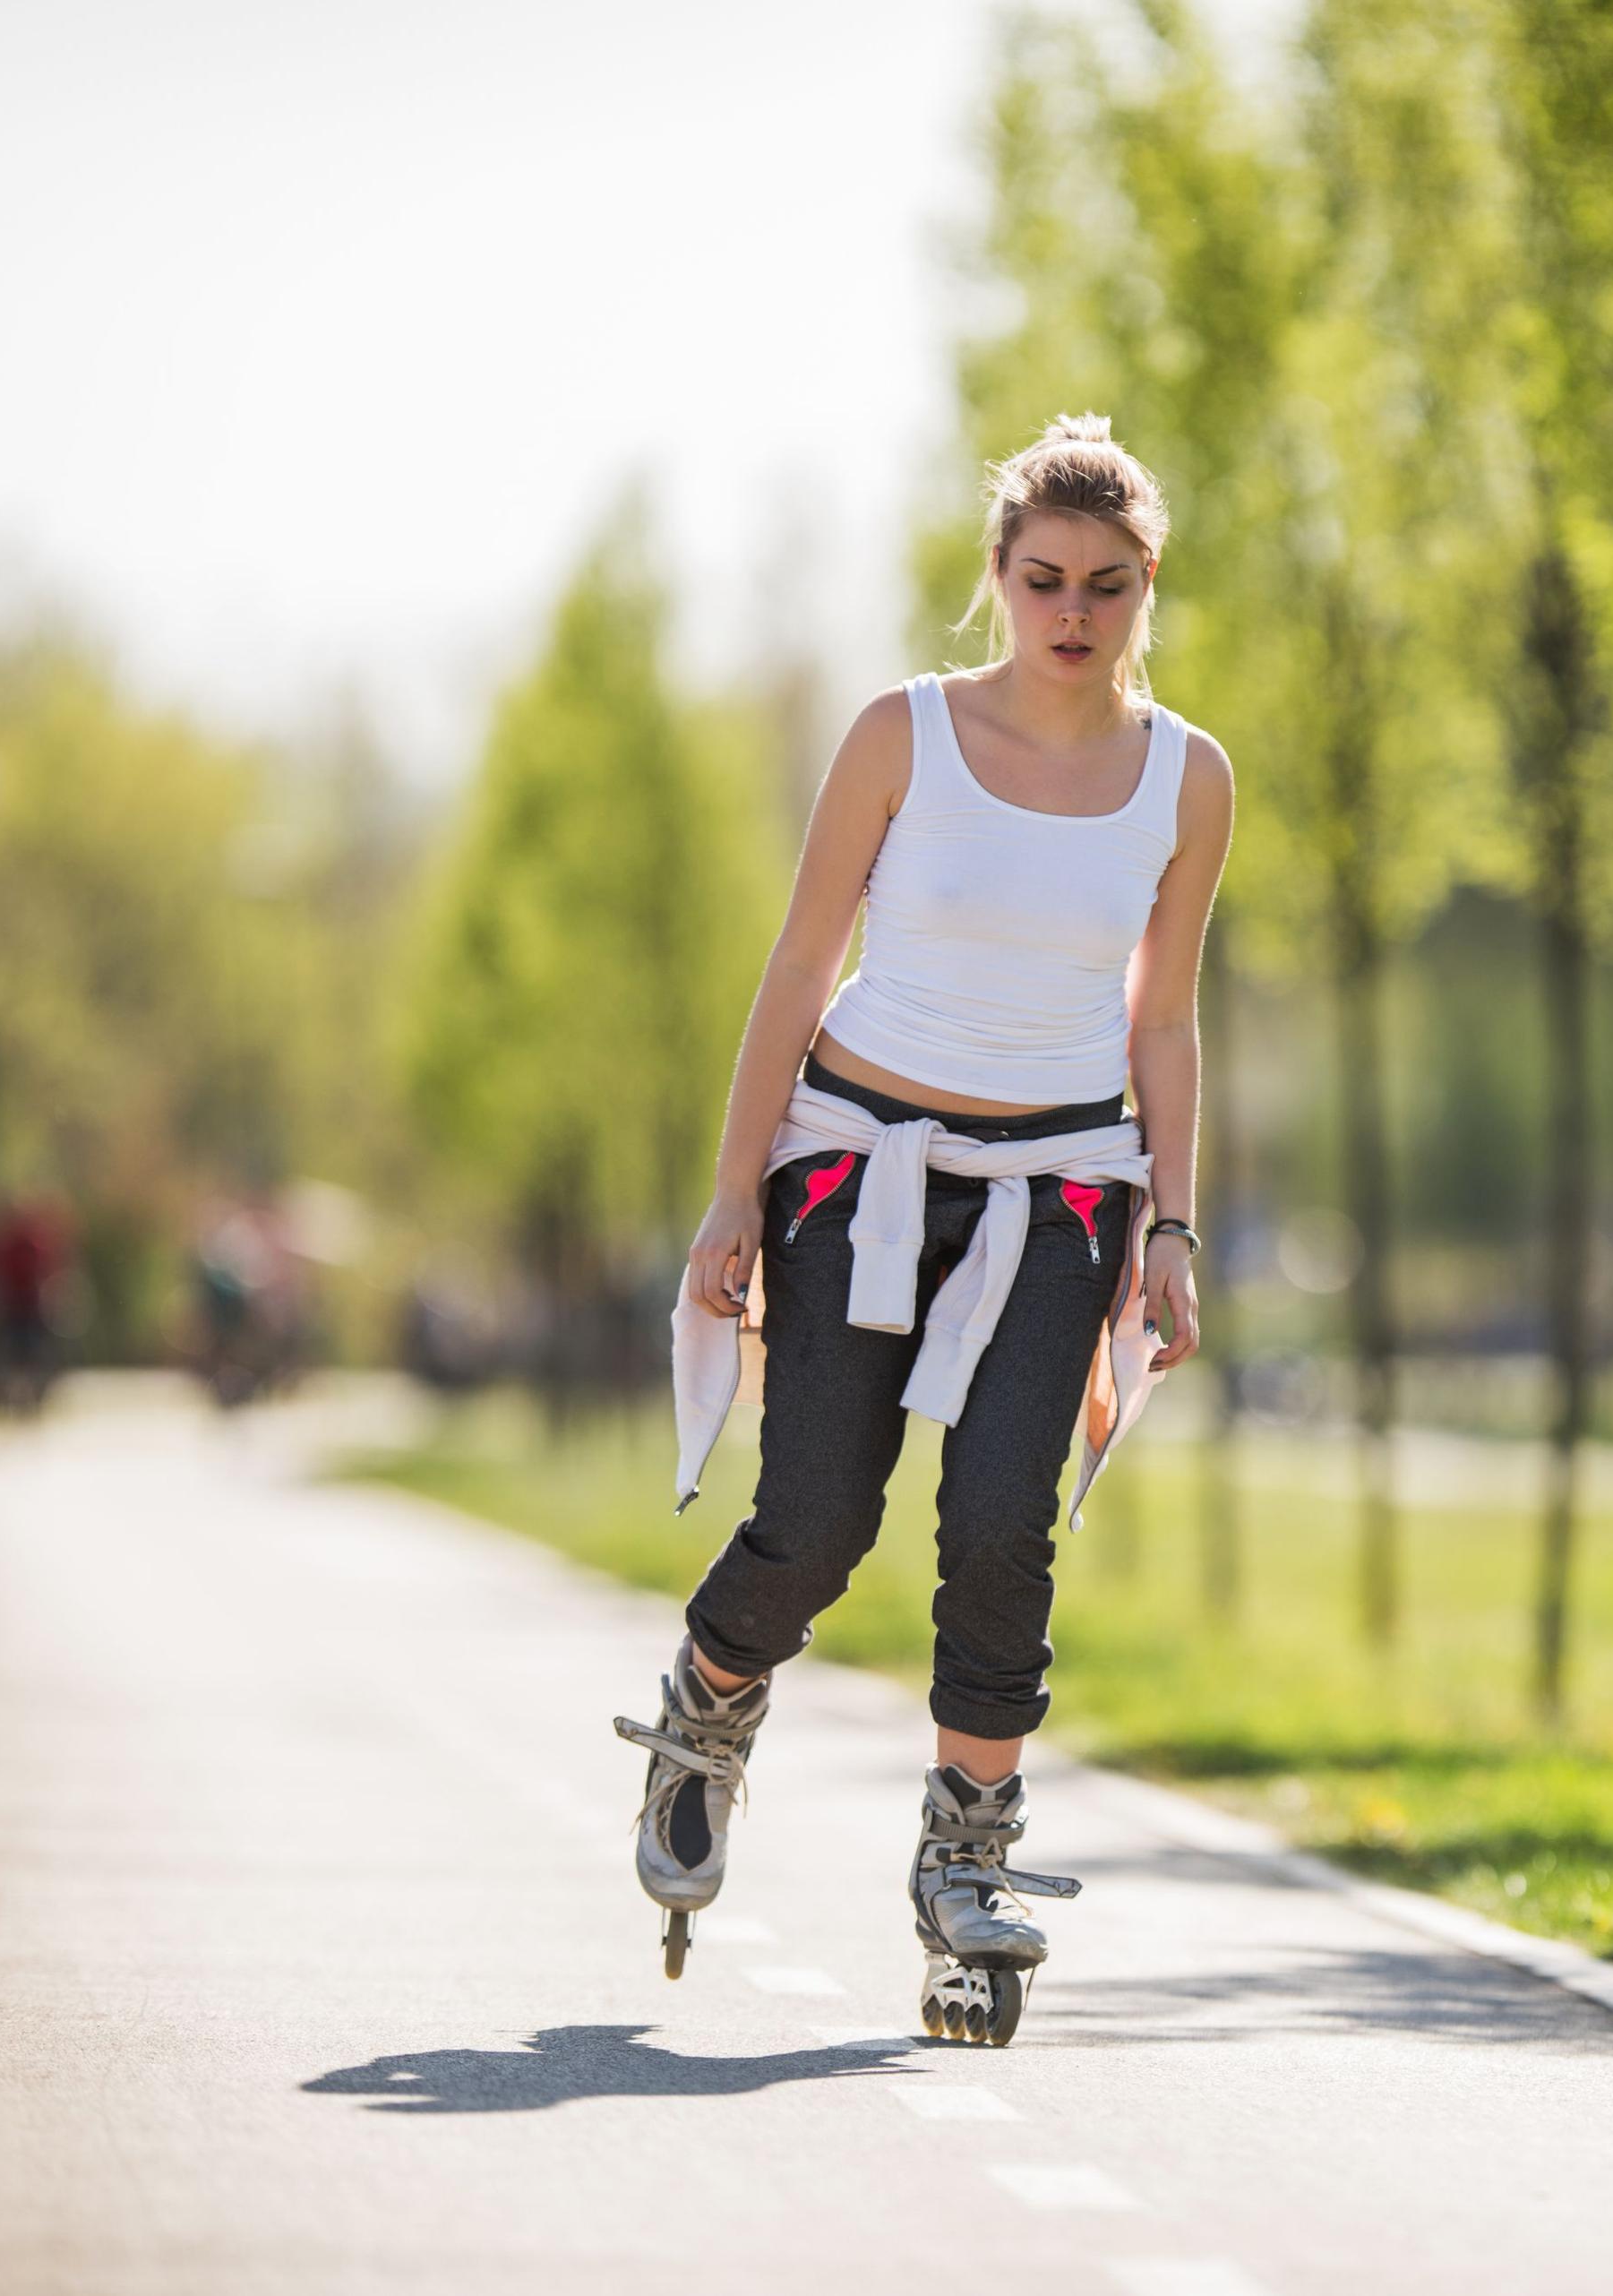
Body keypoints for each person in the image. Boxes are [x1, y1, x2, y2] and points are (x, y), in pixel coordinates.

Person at [616, 413, 1231, 2041]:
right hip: (855, 1161)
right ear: (999, 579)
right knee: (819, 1515)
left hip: (1065, 1188)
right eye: (1044, 580)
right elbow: (801, 963)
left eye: (1106, 585)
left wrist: (1173, 1220)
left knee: (1001, 1524)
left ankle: (967, 1854)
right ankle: (712, 1703)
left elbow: (1162, 1018)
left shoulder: (1189, 779)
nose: (1073, 614)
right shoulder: (902, 734)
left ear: (1145, 588)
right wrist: (733, 1191)